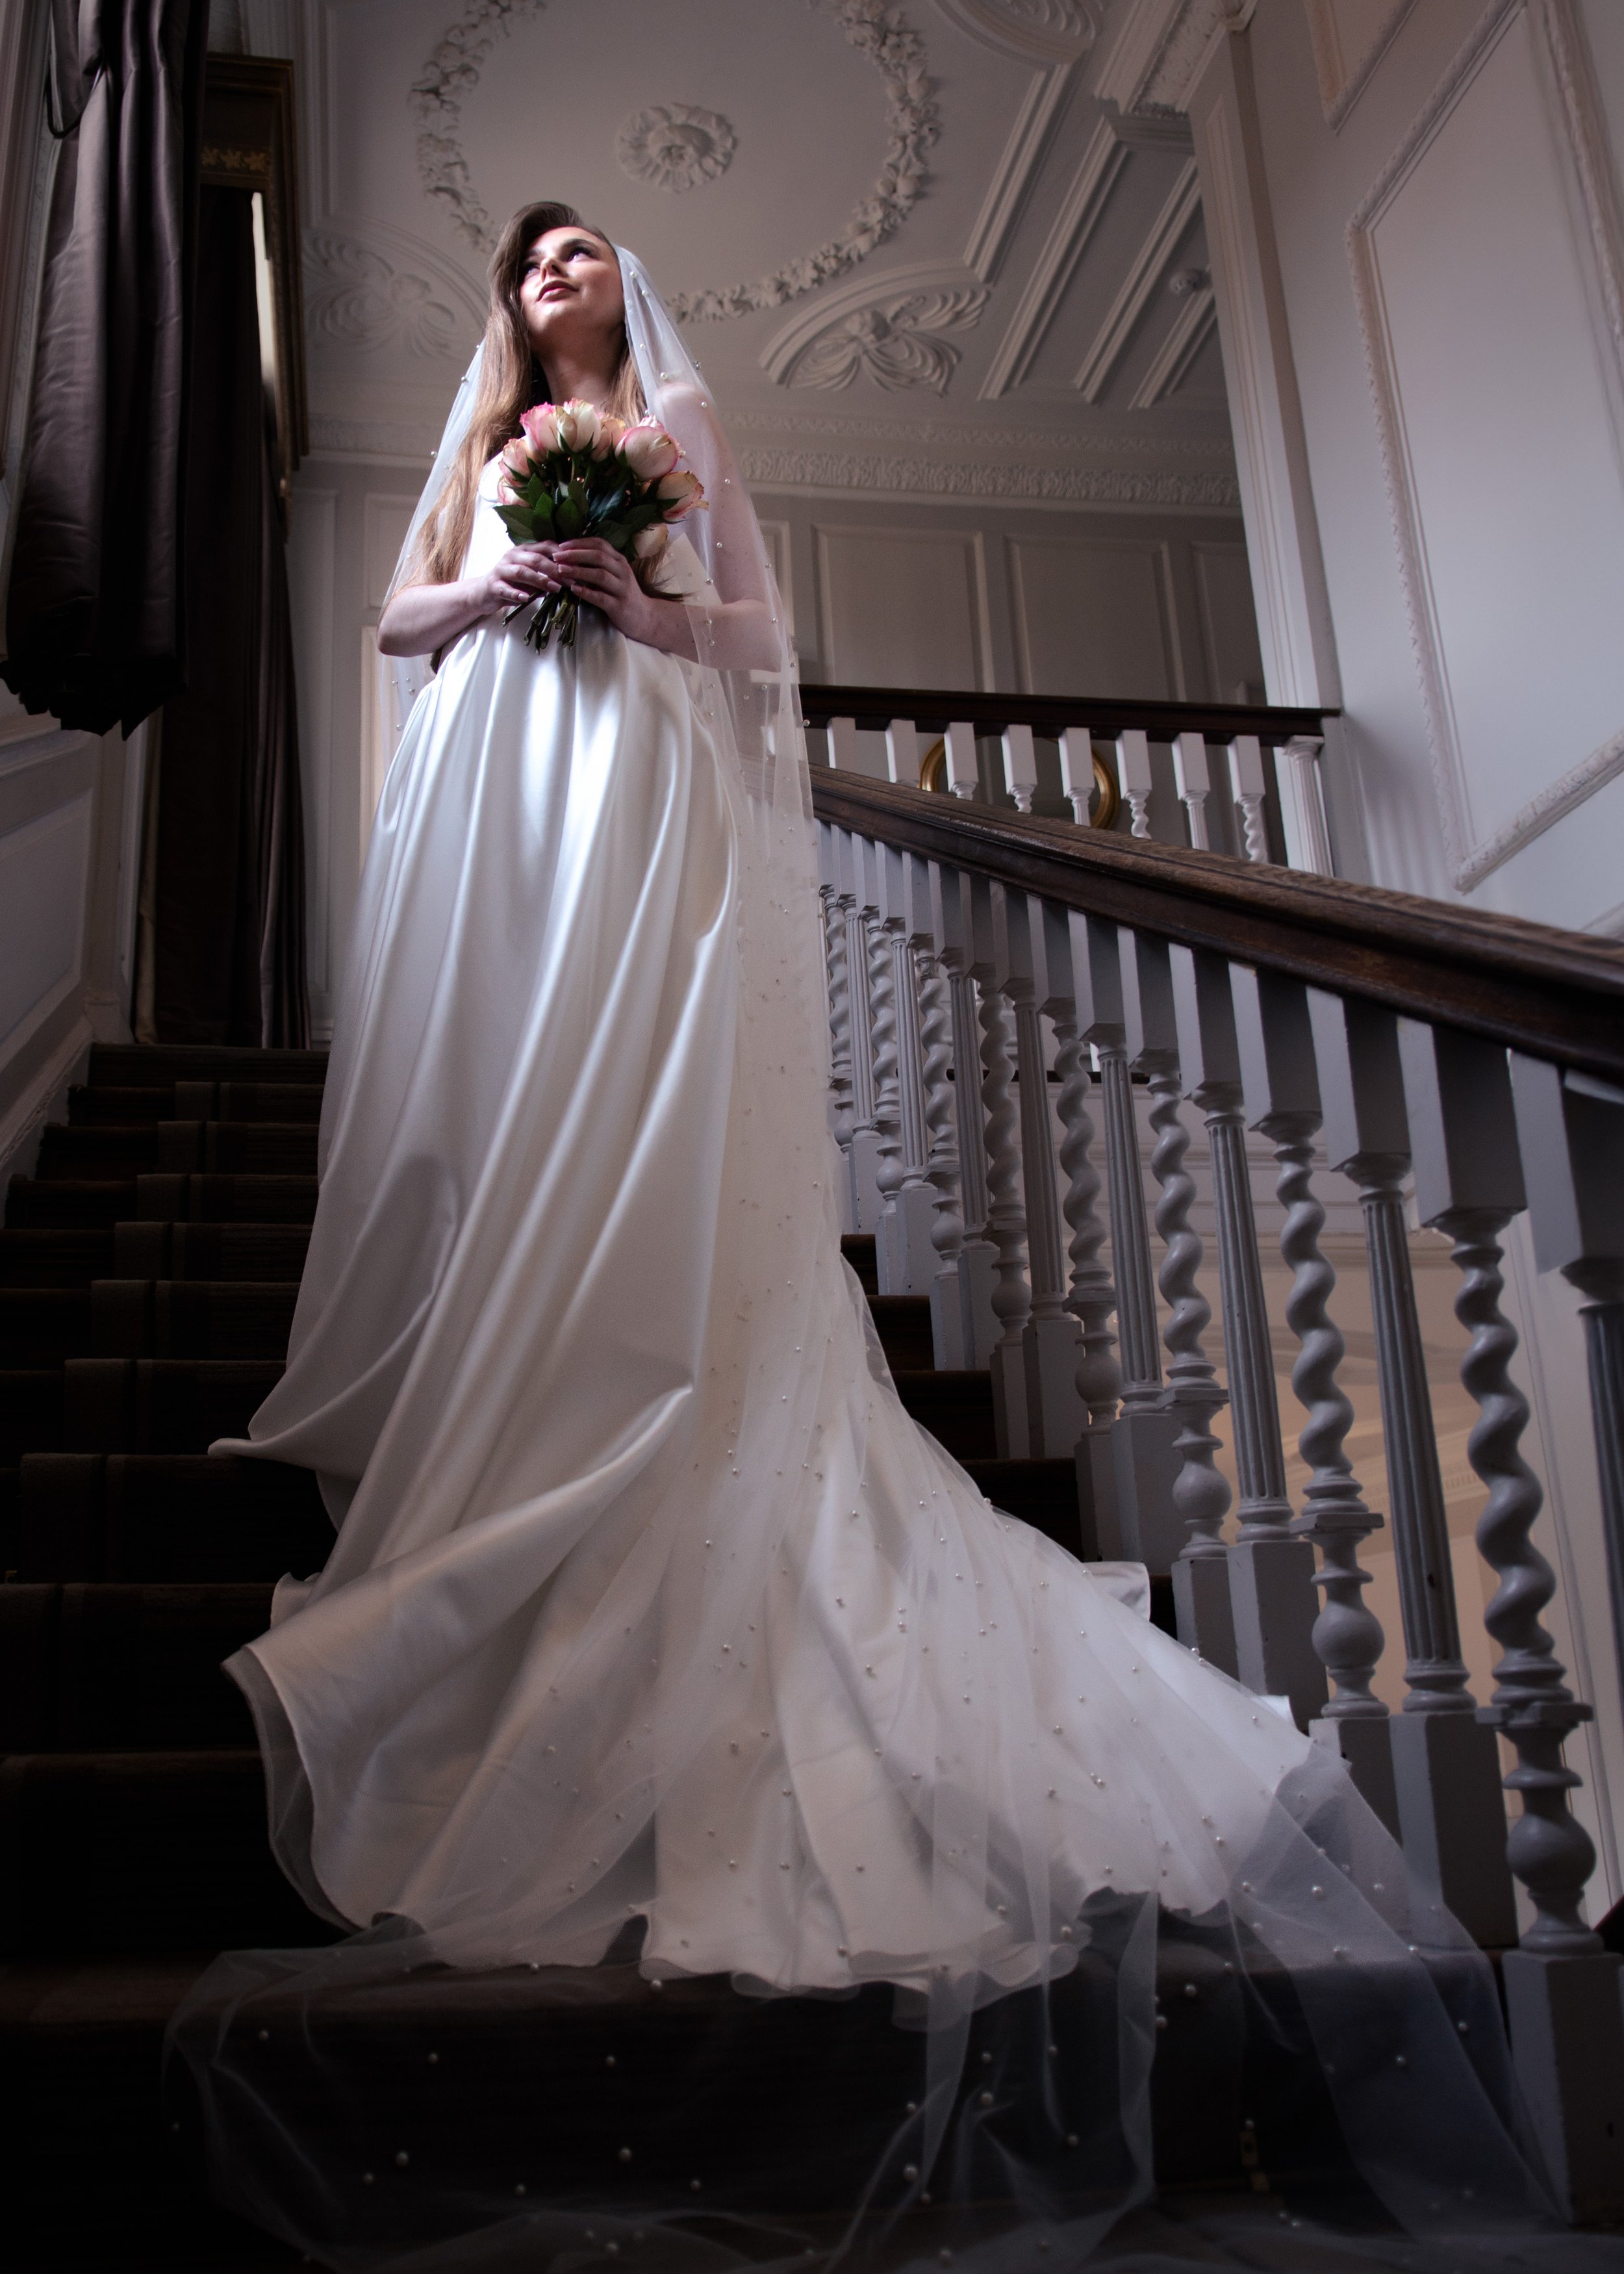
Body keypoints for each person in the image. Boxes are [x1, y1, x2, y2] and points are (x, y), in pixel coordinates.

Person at [167, 206, 1589, 2273]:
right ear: (503, 295)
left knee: (640, 1091)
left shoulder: (675, 423)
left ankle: (658, 1349)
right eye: (534, 252)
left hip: (634, 766)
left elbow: (753, 636)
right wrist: (502, 576)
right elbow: (394, 628)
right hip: (506, 769)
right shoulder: (480, 436)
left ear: (619, 287)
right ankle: (515, 1344)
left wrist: (635, 611)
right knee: (522, 1092)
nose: (561, 266)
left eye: (583, 248)